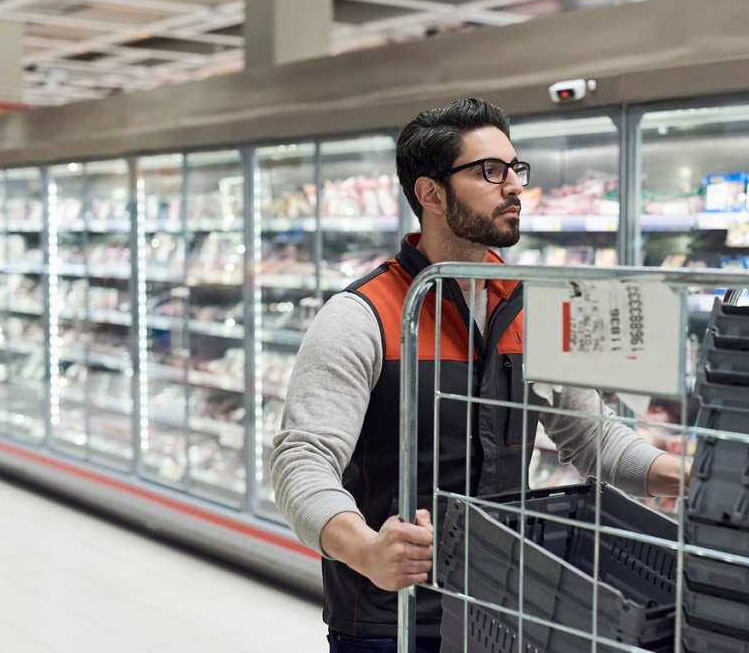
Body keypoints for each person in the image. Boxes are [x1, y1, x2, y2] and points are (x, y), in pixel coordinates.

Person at [270, 97, 690, 652]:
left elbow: (594, 438)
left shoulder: (536, 305)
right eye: (489, 171)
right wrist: (367, 550)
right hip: (390, 621)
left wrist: (692, 478)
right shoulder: (361, 315)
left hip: (506, 610)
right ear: (430, 194)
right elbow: (300, 460)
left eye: (515, 168)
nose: (514, 185)